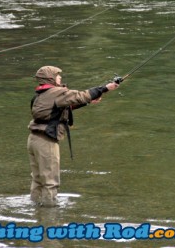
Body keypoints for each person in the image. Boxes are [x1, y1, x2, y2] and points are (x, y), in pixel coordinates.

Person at [27, 65, 120, 207]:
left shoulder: (43, 94)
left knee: (38, 179)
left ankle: (35, 209)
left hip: (33, 140)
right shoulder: (56, 92)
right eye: (58, 75)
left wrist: (88, 101)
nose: (60, 77)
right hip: (46, 141)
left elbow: (60, 107)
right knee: (51, 181)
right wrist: (105, 88)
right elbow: (79, 96)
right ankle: (50, 214)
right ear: (50, 78)